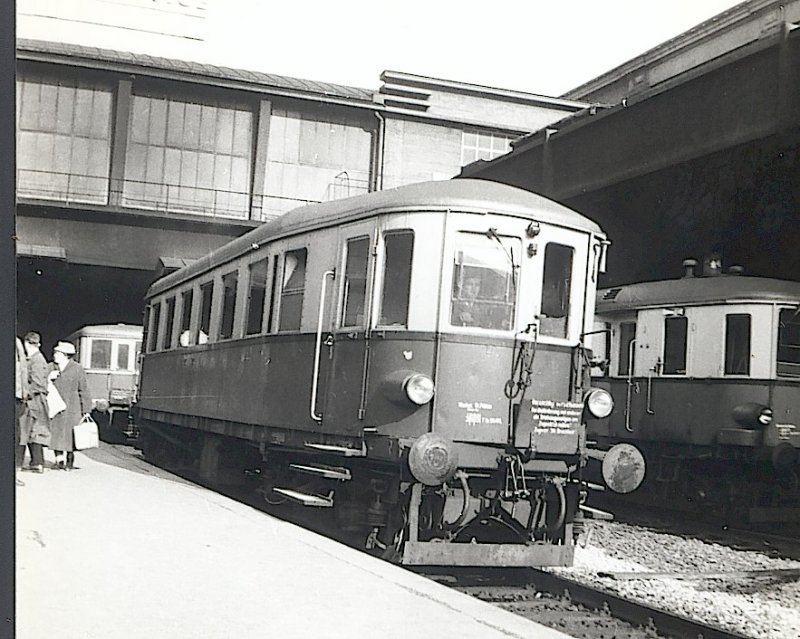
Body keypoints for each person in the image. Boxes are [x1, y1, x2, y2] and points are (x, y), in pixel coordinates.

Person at [49, 341, 92, 470]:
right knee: (56, 434)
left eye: (58, 353)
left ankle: (69, 461)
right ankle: (58, 460)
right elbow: (41, 381)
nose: (55, 355)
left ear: (65, 355)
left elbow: (84, 389)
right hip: (55, 407)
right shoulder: (50, 367)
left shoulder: (77, 368)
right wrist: (48, 378)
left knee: (70, 435)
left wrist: (86, 409)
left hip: (73, 407)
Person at [20, 331, 50, 473]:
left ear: (27, 343)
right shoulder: (35, 358)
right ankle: (37, 463)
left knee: (25, 431)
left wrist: (24, 392)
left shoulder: (37, 360)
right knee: (33, 432)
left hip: (34, 401)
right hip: (34, 400)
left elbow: (38, 384)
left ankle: (33, 463)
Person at [15, 337, 28, 485]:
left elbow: (23, 369)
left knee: (15, 435)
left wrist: (24, 392)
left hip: (16, 396)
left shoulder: (16, 342)